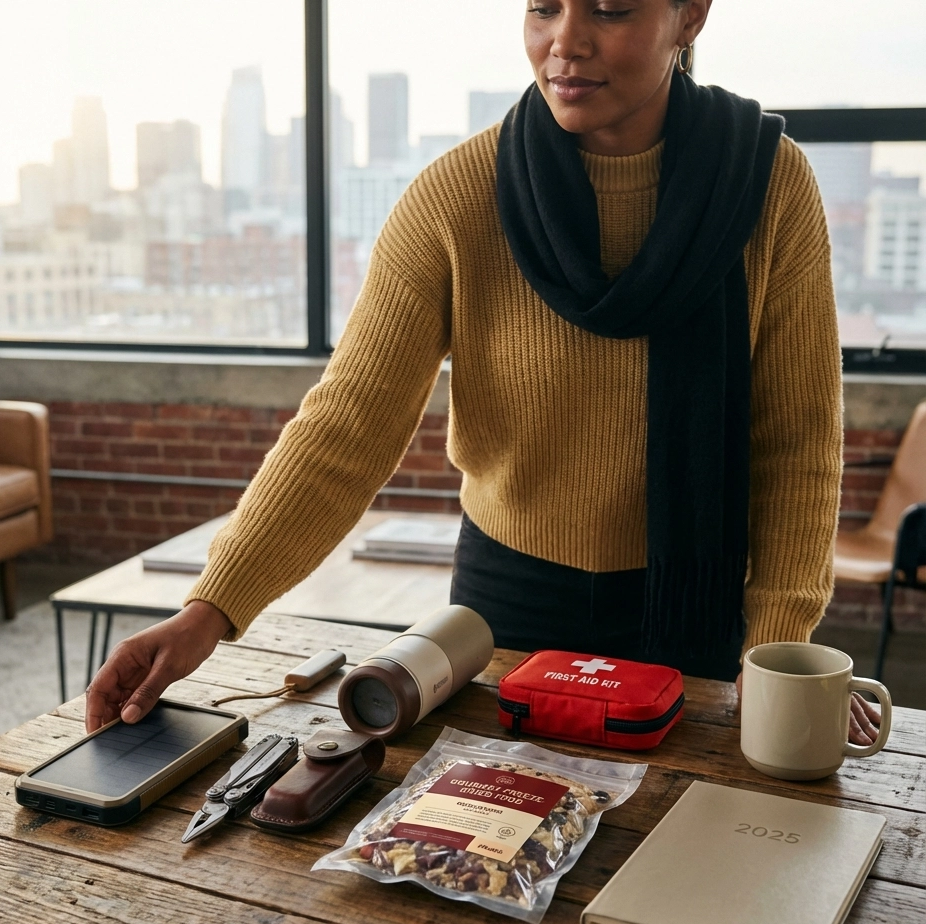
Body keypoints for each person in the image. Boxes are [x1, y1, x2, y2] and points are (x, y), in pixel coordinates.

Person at [86, 0, 882, 745]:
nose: (565, 41)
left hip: (696, 605)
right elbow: (346, 427)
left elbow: (798, 441)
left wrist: (779, 647)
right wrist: (209, 610)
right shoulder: (456, 198)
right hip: (505, 612)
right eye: (542, 6)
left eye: (609, 8)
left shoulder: (768, 186)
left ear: (692, 13)